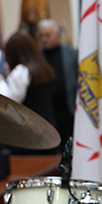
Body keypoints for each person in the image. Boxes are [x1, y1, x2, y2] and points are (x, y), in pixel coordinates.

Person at [0, 31, 59, 154]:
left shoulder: (21, 71)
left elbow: (10, 103)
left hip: (28, 137)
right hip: (48, 132)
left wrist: (1, 82)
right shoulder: (43, 67)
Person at [36, 19, 78, 151]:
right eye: (41, 36)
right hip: (47, 111)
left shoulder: (72, 54)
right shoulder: (37, 56)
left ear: (57, 35)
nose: (44, 39)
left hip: (68, 109)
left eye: (48, 35)